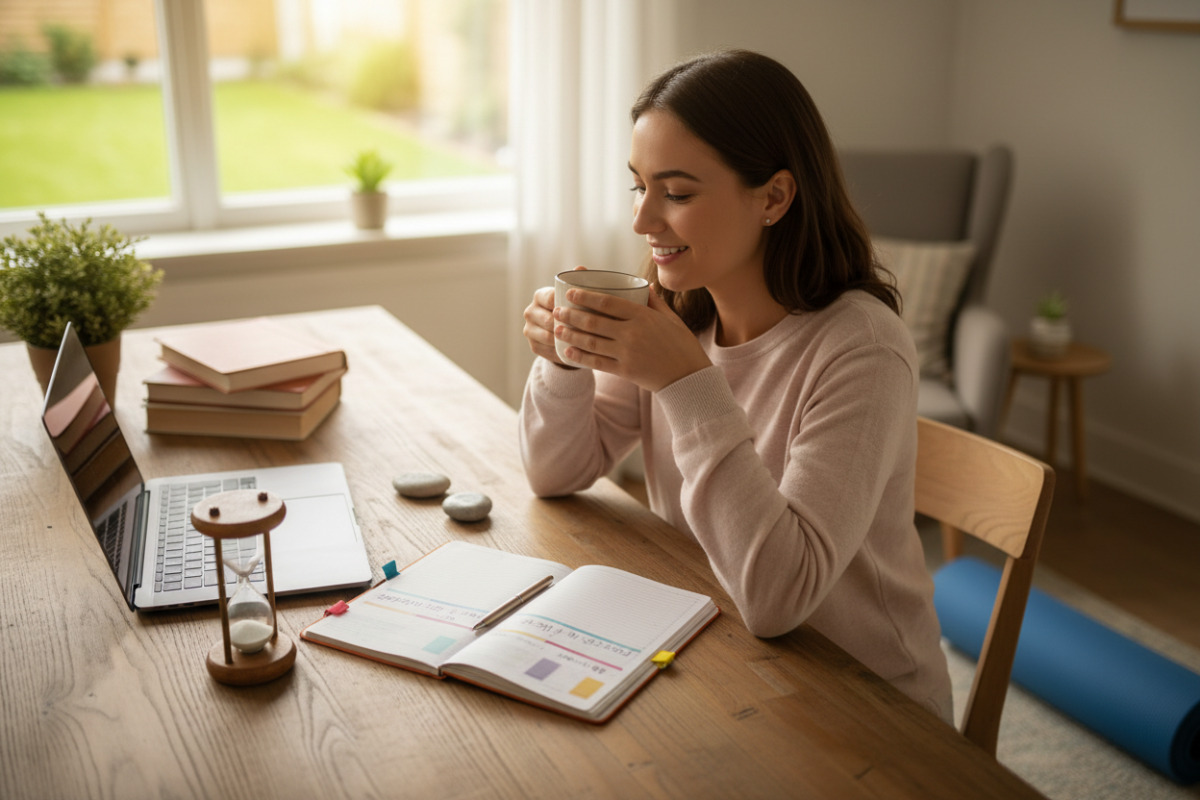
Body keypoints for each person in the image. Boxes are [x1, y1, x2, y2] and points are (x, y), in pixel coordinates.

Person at [518, 49, 953, 724]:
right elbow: (556, 472)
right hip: (716, 649)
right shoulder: (680, 314)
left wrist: (686, 384)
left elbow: (782, 595)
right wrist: (565, 362)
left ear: (775, 196)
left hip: (866, 706)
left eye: (678, 193)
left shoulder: (861, 348)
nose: (642, 220)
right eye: (638, 186)